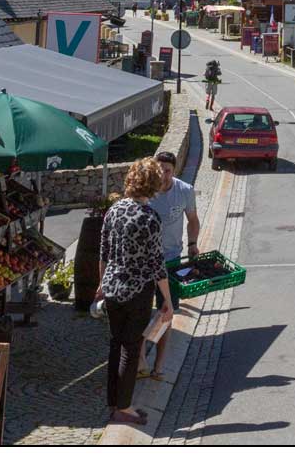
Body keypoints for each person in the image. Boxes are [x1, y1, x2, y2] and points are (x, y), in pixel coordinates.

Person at [96, 161, 172, 426]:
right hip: (137, 292)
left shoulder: (114, 211)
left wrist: (101, 286)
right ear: (152, 184)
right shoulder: (149, 217)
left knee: (116, 344)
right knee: (130, 348)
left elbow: (103, 253)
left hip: (113, 290)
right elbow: (157, 264)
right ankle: (124, 408)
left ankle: (114, 401)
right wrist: (168, 302)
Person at [141, 149, 201, 375]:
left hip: (171, 260)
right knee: (143, 311)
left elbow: (193, 220)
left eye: (166, 171)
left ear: (173, 171)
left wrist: (193, 243)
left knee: (167, 313)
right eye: (159, 170)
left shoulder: (184, 191)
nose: (163, 175)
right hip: (146, 263)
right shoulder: (145, 191)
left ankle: (158, 365)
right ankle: (141, 358)